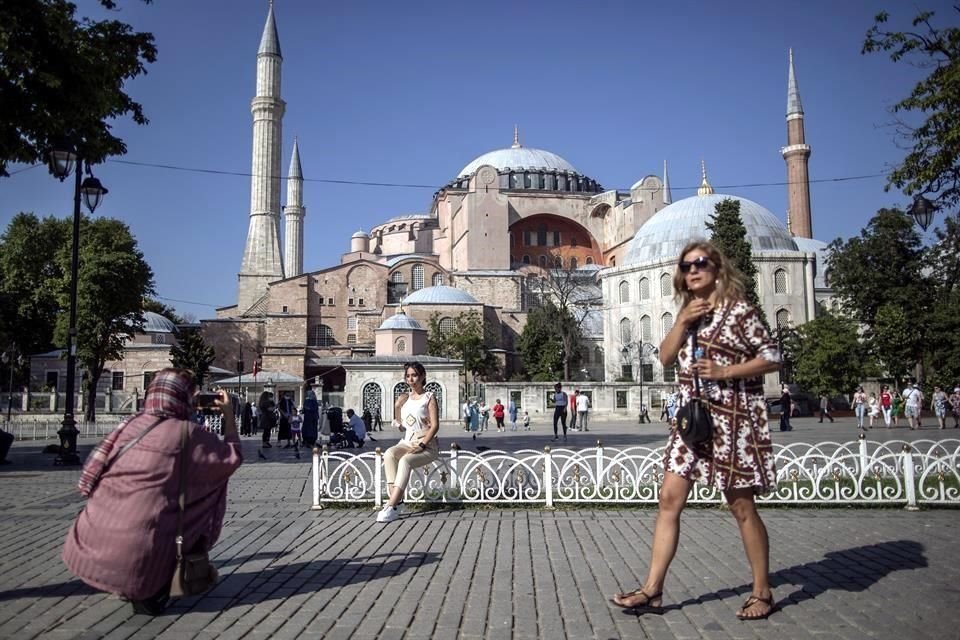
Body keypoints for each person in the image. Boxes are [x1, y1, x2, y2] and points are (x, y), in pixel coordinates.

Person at [610, 241, 781, 621]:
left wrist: (725, 372)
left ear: (718, 268)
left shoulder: (739, 312)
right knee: (669, 499)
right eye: (686, 266)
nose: (693, 271)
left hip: (732, 420)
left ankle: (761, 592)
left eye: (700, 264)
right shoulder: (690, 315)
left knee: (741, 506)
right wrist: (683, 320)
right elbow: (665, 357)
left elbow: (772, 356)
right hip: (692, 420)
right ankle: (652, 589)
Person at [62, 368, 243, 615]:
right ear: (185, 397)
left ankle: (127, 577)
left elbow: (92, 472)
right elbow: (231, 459)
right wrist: (229, 416)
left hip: (86, 546)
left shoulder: (130, 424)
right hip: (142, 548)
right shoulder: (188, 434)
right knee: (194, 496)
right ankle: (153, 574)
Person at [376, 362, 440, 523]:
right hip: (407, 441)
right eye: (408, 376)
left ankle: (390, 505)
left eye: (415, 375)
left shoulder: (429, 398)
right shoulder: (405, 398)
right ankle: (398, 502)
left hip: (426, 444)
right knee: (390, 454)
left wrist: (422, 444)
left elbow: (435, 425)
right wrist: (397, 407)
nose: (411, 379)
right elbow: (401, 426)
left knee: (405, 461)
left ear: (422, 376)